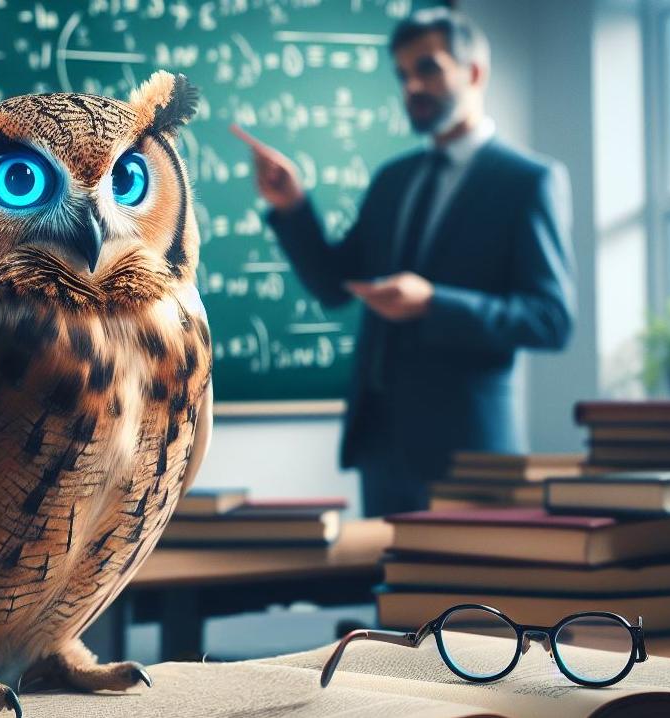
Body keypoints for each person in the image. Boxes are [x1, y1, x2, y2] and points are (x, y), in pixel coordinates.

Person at [232, 8, 575, 517]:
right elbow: (335, 284)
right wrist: (294, 207)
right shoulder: (394, 179)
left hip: (471, 453)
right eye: (403, 74)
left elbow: (551, 319)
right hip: (381, 447)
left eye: (429, 68)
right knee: (392, 596)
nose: (412, 84)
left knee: (468, 597)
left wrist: (434, 303)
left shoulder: (529, 180)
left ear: (474, 72)